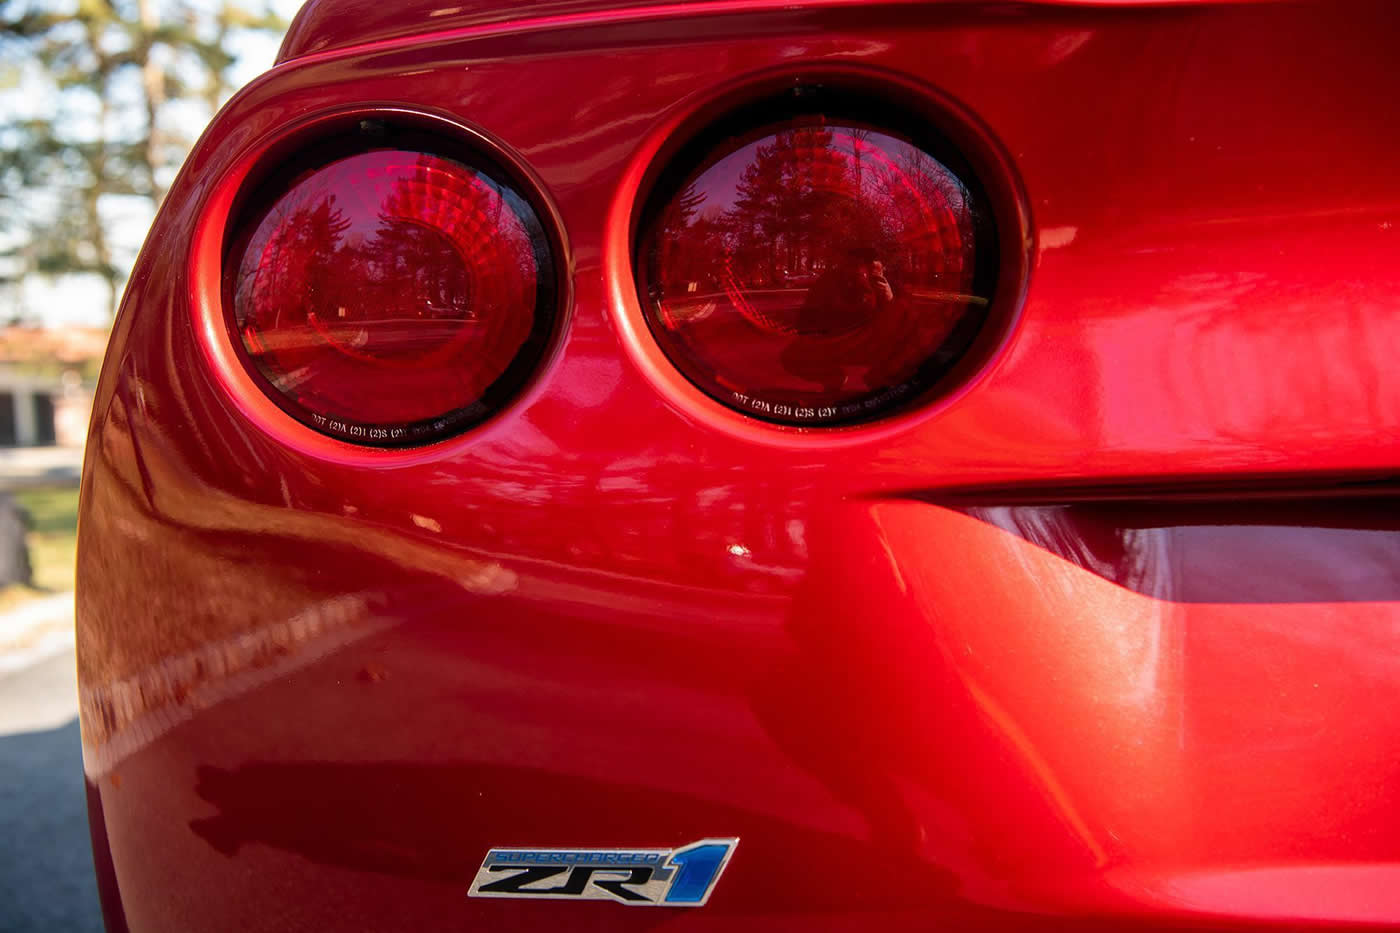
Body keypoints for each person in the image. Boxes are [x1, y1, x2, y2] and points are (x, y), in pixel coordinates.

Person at [781, 247, 894, 392]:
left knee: (895, 351)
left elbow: (891, 319)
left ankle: (880, 388)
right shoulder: (829, 281)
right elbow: (807, 315)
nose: (858, 271)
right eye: (853, 264)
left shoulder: (874, 283)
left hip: (863, 339)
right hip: (832, 339)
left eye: (863, 266)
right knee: (791, 357)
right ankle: (833, 379)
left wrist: (886, 296)